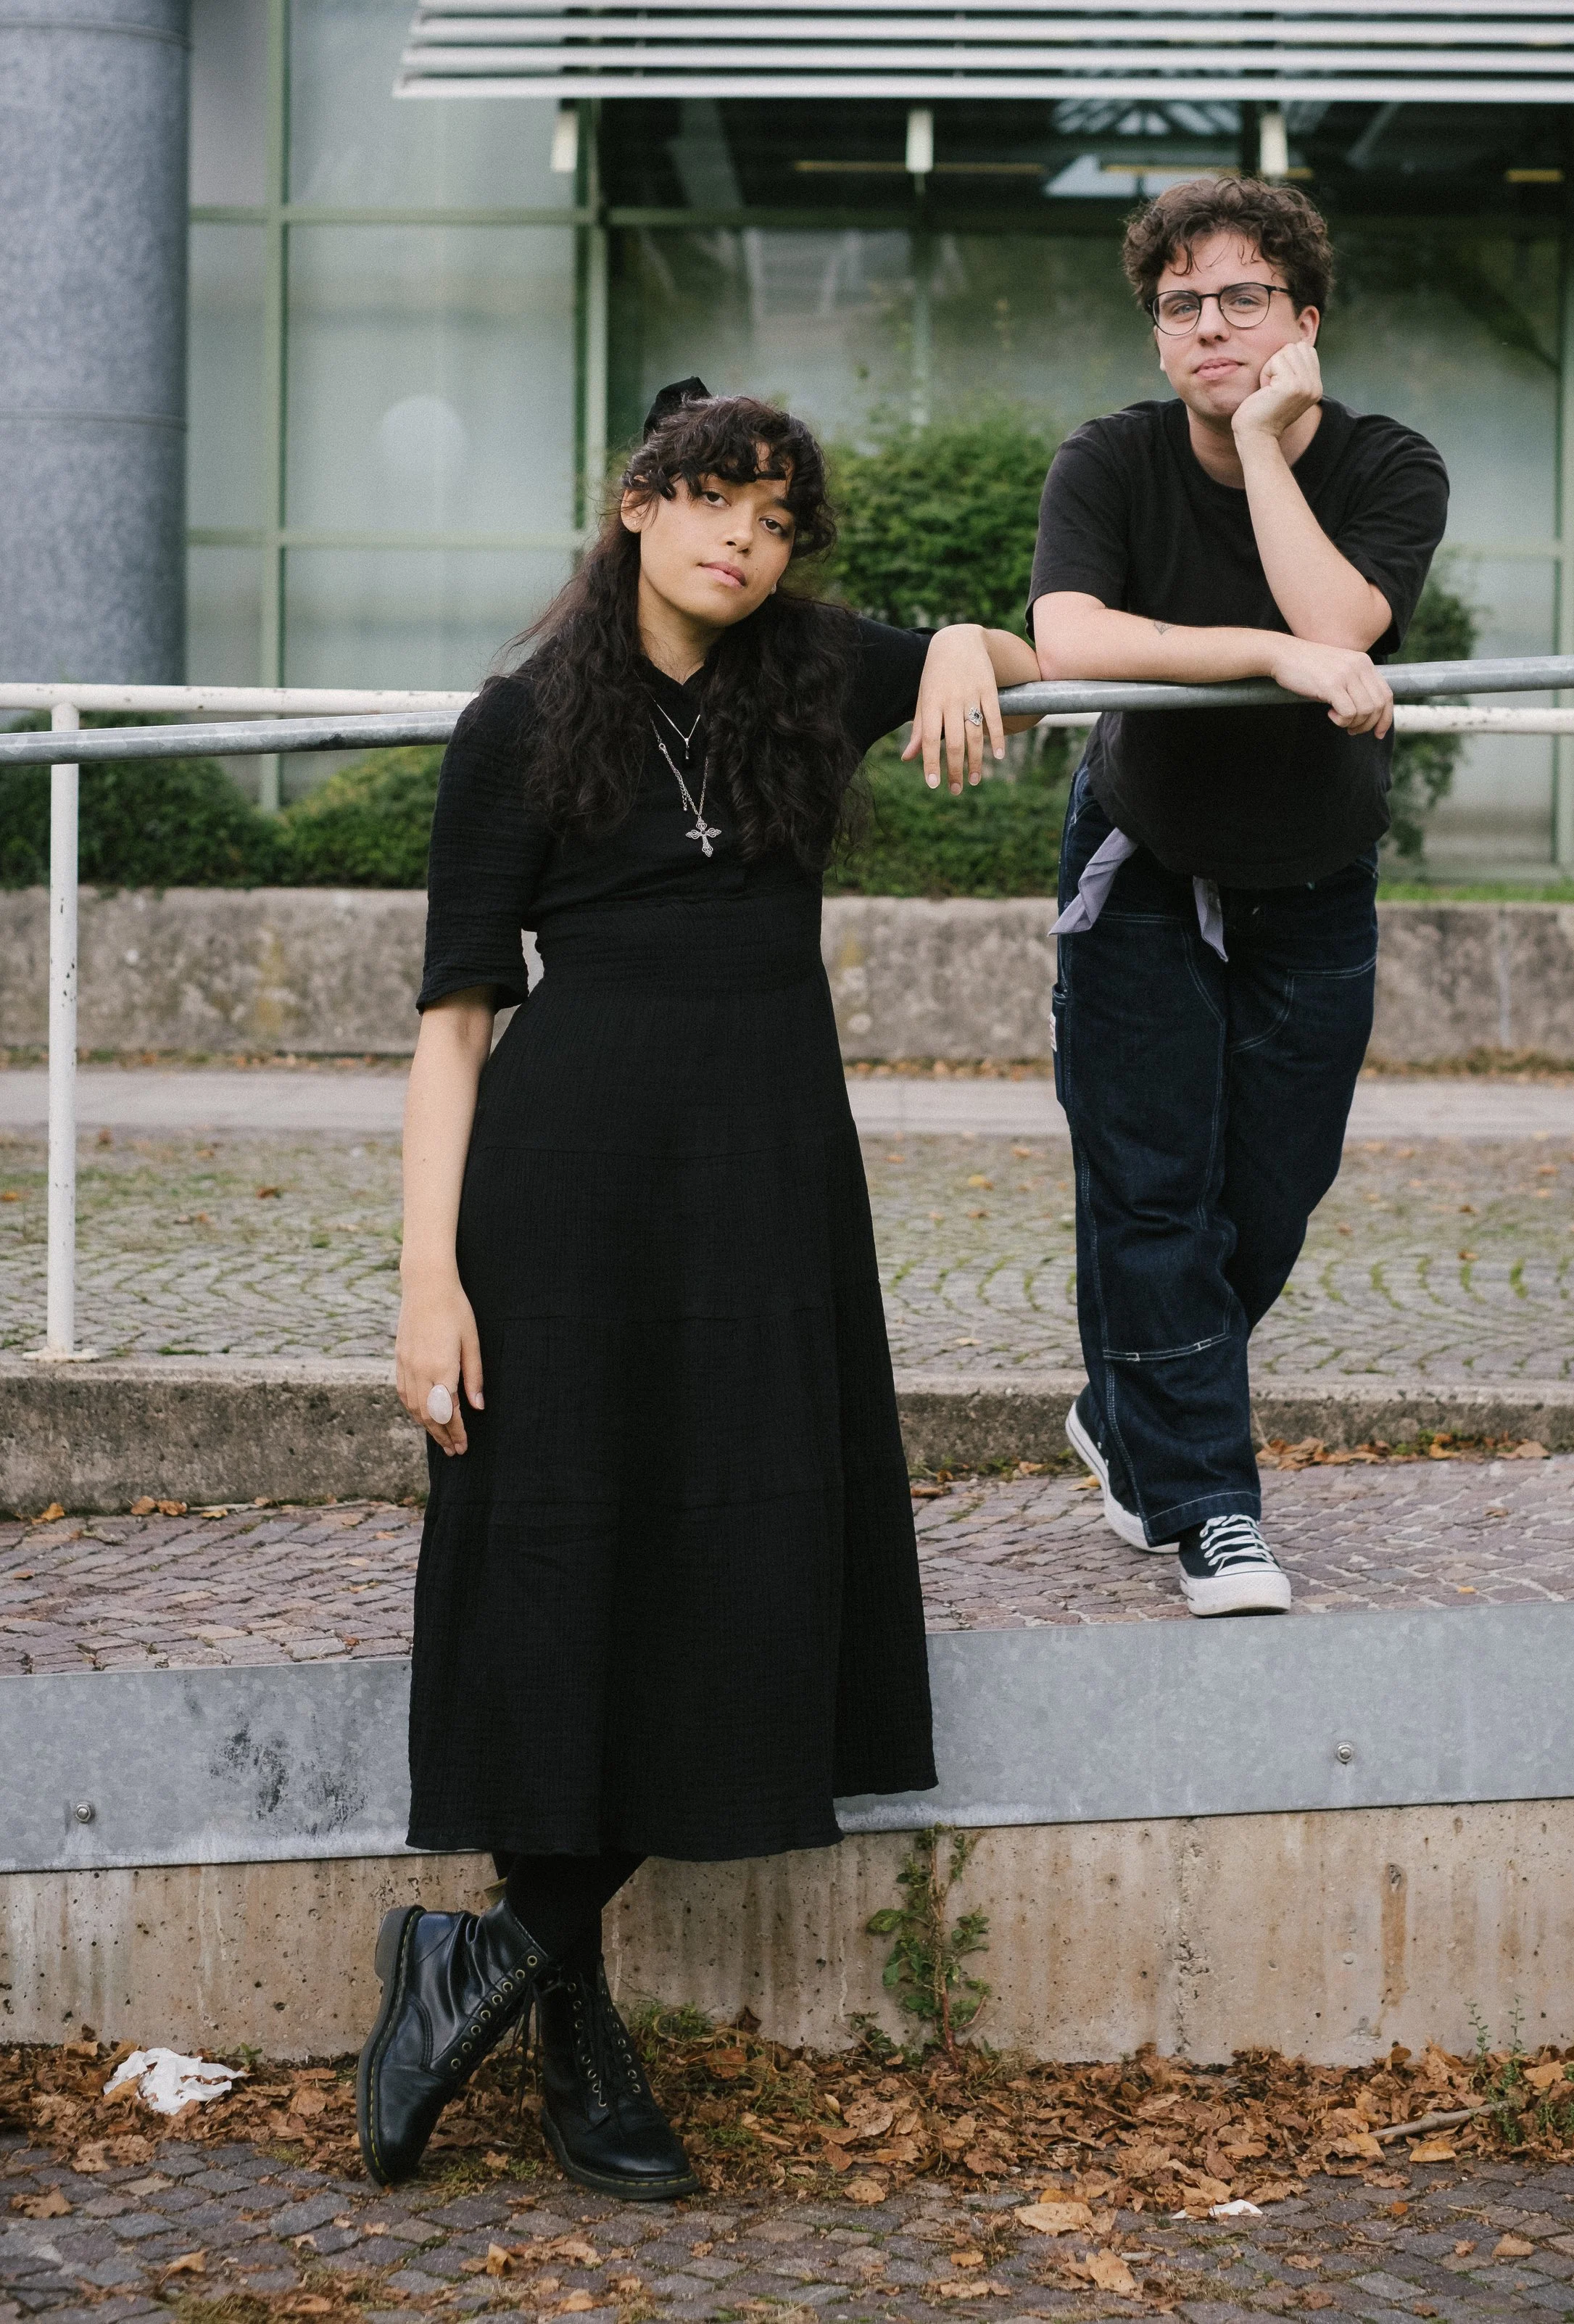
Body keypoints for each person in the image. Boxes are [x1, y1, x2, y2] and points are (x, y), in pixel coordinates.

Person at [359, 385, 1039, 2196]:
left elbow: (1053, 642)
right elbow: (450, 1024)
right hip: (563, 1193)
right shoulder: (514, 726)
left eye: (776, 517)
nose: (743, 537)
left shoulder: (810, 675)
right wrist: (428, 1281)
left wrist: (972, 639)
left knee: (739, 1555)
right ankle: (571, 2027)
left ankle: (490, 1953)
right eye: (713, 500)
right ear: (640, 503)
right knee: (570, 1553)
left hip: (765, 1184)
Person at [1028, 177, 1448, 1617]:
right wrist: (1263, 660)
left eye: (1241, 299)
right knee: (1153, 1200)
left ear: (1303, 321)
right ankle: (1211, 1511)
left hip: (1311, 879)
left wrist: (1268, 451)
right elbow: (1071, 634)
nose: (1208, 327)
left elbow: (1340, 628)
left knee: (1268, 1196)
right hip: (1141, 860)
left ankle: (1125, 1401)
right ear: (1154, 336)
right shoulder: (1110, 462)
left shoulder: (1389, 465)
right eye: (1180, 306)